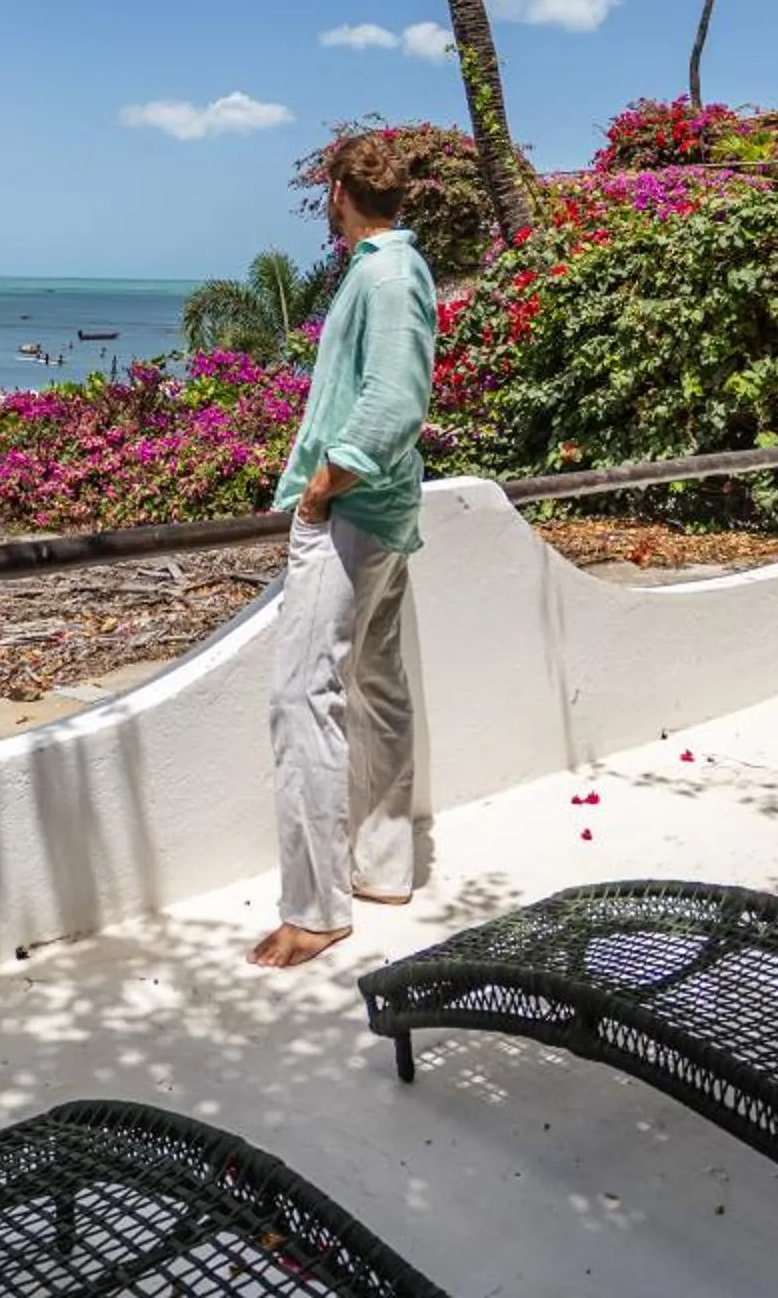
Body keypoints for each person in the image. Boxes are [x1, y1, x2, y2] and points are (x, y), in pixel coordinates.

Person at [249, 132, 438, 969]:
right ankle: (384, 870)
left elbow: (395, 399)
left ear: (335, 193)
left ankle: (318, 909)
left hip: (354, 510)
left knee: (302, 697)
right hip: (380, 511)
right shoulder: (385, 270)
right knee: (377, 686)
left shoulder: (390, 275)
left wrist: (328, 483)